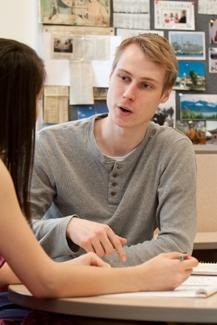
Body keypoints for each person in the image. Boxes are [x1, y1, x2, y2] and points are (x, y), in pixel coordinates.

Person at [0, 38, 198, 299]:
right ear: (110, 75)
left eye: (146, 85)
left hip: (117, 294)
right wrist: (67, 228)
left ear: (164, 95)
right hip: (59, 298)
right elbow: (18, 234)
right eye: (124, 77)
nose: (128, 93)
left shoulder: (174, 149)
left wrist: (78, 268)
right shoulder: (50, 143)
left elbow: (176, 245)